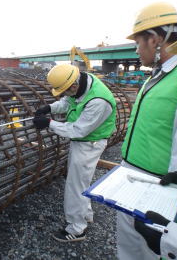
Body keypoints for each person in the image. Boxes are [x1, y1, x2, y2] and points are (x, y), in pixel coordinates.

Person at [117, 1, 177, 260]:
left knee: (149, 250)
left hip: (157, 187)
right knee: (130, 247)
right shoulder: (159, 74)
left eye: (137, 42)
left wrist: (173, 204)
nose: (136, 49)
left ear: (154, 40)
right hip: (133, 179)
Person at [33, 64, 116, 242]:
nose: (65, 94)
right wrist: (49, 108)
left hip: (89, 144)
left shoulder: (98, 101)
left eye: (65, 90)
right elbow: (67, 101)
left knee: (75, 186)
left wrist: (49, 123)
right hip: (84, 142)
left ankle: (77, 229)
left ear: (73, 85)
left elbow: (78, 131)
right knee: (81, 182)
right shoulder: (82, 83)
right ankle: (85, 215)